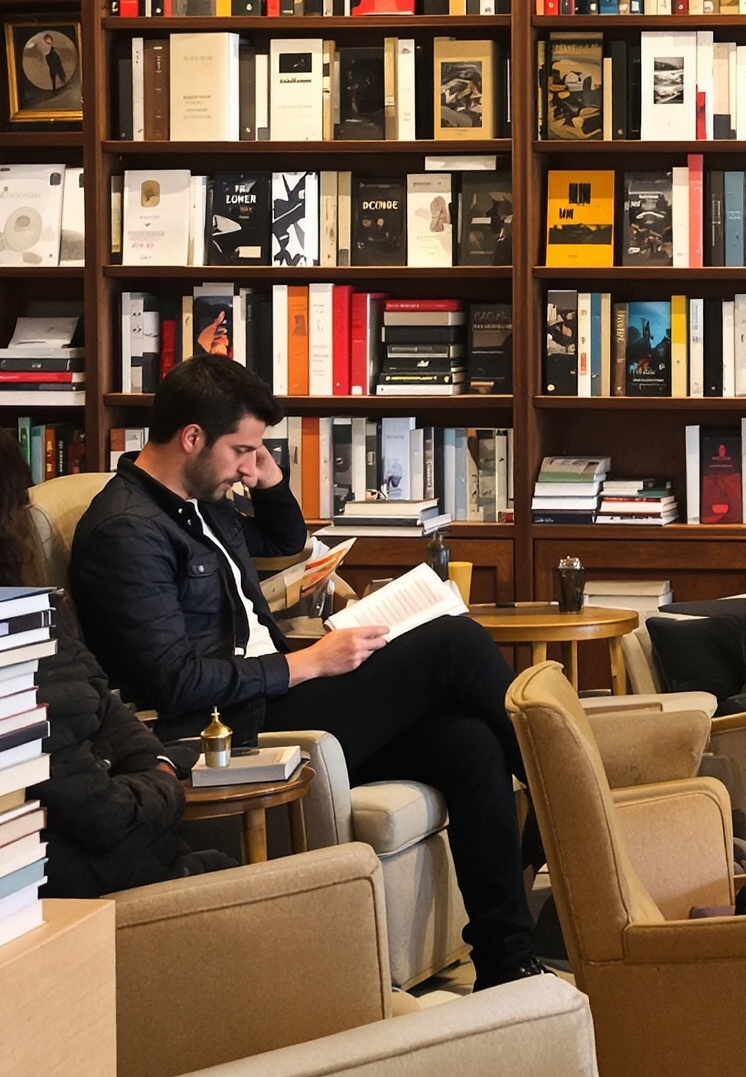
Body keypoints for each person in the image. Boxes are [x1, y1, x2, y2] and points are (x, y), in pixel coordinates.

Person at [69, 356, 543, 989]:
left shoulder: (197, 501)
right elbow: (173, 683)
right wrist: (305, 664)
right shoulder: (127, 531)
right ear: (190, 438)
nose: (247, 463)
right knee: (453, 641)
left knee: (469, 742)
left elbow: (282, 537)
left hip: (282, 693)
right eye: (242, 448)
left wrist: (265, 479)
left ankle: (508, 965)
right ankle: (561, 792)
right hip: (234, 727)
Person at [0, 410, 232, 894]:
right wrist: (163, 782)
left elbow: (108, 710)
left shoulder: (33, 615)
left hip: (127, 859)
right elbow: (103, 815)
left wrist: (152, 767)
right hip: (84, 900)